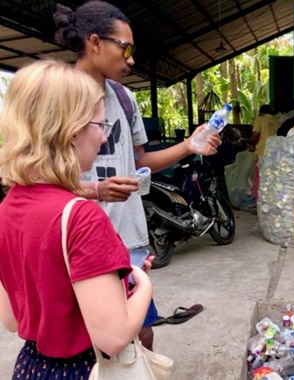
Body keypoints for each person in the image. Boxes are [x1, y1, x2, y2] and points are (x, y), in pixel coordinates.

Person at [53, 0, 221, 350]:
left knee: (142, 333)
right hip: (76, 245)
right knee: (91, 341)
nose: (131, 60)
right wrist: (95, 190)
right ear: (95, 42)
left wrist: (190, 145)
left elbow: (140, 160)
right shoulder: (56, 98)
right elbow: (38, 184)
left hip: (127, 240)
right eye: (125, 48)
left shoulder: (125, 98)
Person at [0, 59, 153, 378]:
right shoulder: (81, 216)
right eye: (100, 126)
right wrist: (143, 285)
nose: (102, 138)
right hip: (85, 370)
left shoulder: (8, 208)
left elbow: (13, 320)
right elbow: (112, 337)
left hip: (33, 368)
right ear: (70, 132)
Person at [250, 104, 280, 204]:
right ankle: (271, 203)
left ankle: (258, 203)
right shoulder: (276, 120)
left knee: (259, 179)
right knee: (271, 179)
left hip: (262, 152)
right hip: (275, 154)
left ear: (261, 112)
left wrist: (252, 145)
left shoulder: (260, 119)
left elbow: (255, 134)